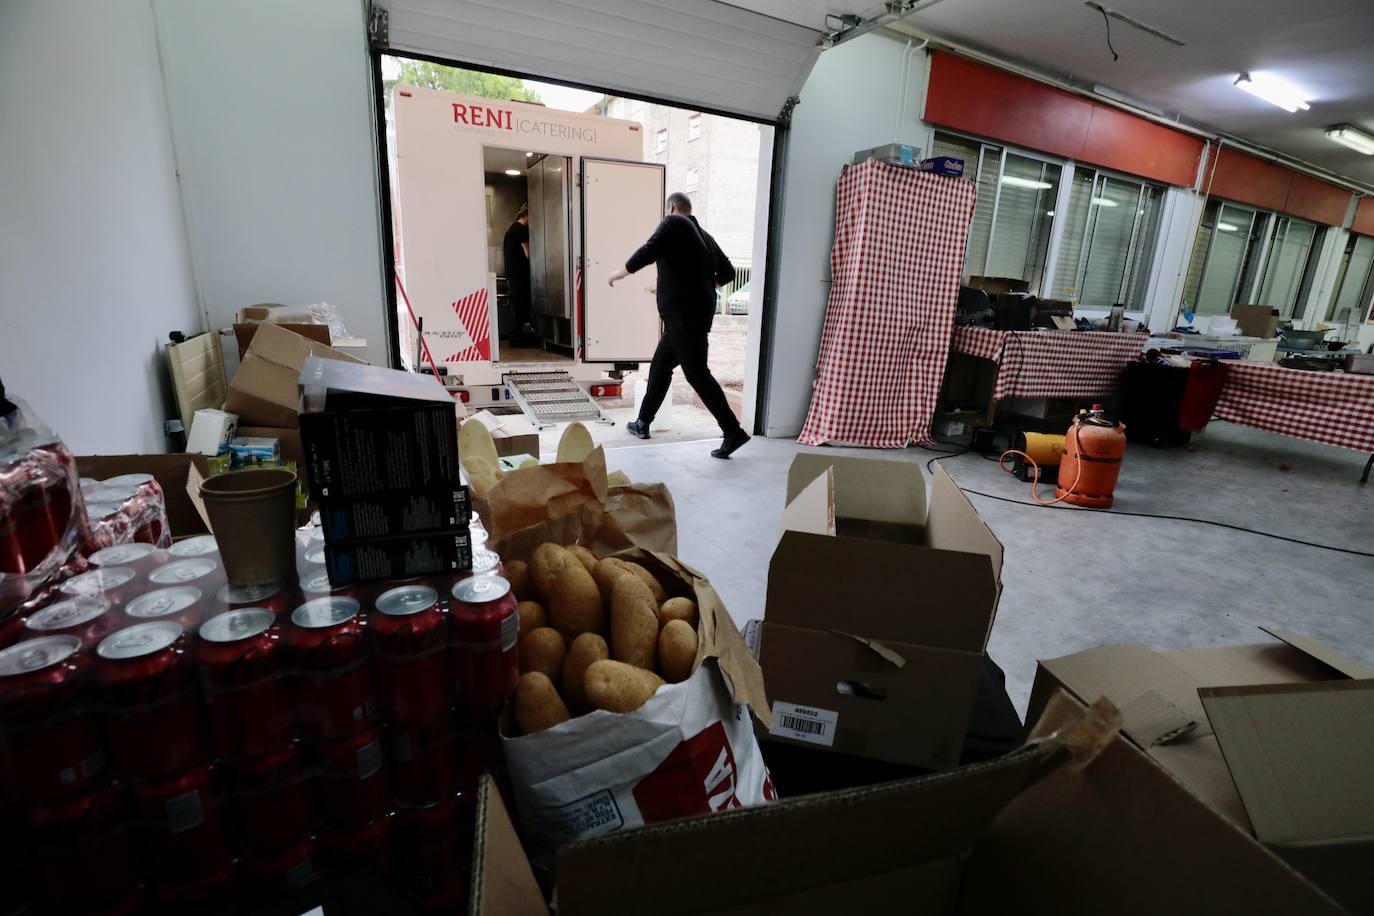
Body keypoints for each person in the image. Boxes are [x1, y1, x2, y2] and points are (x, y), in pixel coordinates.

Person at [608, 192, 749, 459]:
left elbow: (648, 250)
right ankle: (642, 423)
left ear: (671, 208)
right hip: (685, 317)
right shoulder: (704, 236)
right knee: (660, 367)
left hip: (684, 317)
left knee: (697, 374)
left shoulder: (673, 223)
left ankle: (732, 430)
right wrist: (702, 287)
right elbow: (728, 273)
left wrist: (620, 273)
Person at [502, 203, 532, 343]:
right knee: (521, 306)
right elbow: (528, 253)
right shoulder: (521, 230)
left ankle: (515, 338)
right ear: (527, 215)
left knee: (516, 305)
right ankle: (517, 340)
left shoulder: (511, 229)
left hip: (512, 274)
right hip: (520, 275)